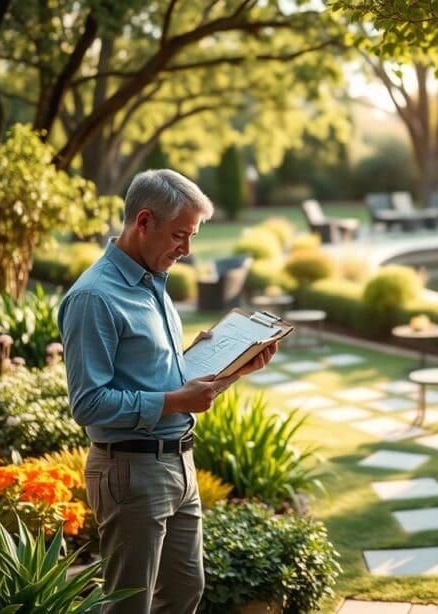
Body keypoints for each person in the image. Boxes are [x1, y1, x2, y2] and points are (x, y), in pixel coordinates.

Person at [58, 169, 277, 613]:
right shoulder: (94, 297)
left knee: (183, 591)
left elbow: (152, 370)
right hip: (130, 473)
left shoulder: (153, 281)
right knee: (129, 605)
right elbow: (88, 403)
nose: (187, 250)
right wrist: (177, 401)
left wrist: (229, 369)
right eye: (180, 235)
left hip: (178, 462)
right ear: (143, 221)